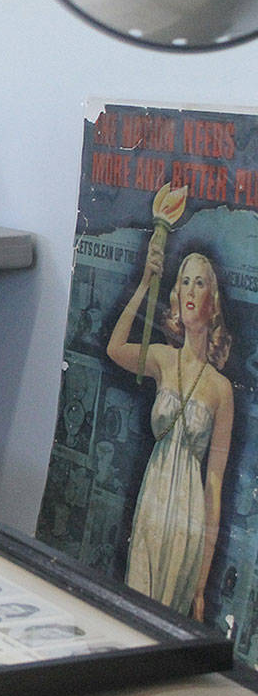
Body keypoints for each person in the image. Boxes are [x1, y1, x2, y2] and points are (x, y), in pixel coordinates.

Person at [107, 242, 234, 619]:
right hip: (152, 502)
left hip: (188, 518)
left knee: (166, 617)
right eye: (185, 282)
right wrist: (146, 283)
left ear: (212, 303)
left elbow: (214, 486)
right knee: (135, 607)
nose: (191, 290)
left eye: (200, 283)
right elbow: (115, 348)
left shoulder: (221, 390)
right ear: (176, 295)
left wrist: (201, 586)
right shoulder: (163, 358)